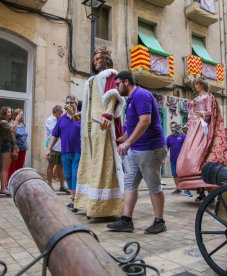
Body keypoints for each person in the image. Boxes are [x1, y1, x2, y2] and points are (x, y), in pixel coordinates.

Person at [106, 71, 167, 234]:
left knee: (154, 186)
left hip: (150, 148)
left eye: (117, 84)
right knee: (130, 183)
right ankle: (126, 220)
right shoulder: (131, 100)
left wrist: (127, 142)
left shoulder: (141, 95)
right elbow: (132, 128)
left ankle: (160, 221)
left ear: (126, 82)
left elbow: (145, 121)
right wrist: (120, 138)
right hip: (136, 150)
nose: (116, 88)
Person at [176, 78, 227, 201]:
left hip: (205, 128)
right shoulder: (194, 100)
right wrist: (187, 125)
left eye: (196, 84)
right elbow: (191, 115)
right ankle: (200, 191)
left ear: (201, 84)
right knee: (193, 157)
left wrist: (202, 114)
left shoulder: (209, 97)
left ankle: (212, 189)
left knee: (204, 156)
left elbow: (212, 112)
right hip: (194, 131)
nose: (195, 86)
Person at [75, 48, 125, 218]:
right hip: (89, 129)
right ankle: (88, 203)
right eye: (94, 58)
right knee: (90, 163)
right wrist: (81, 114)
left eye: (98, 58)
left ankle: (104, 207)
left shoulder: (110, 75)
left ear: (105, 60)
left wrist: (107, 116)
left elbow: (112, 95)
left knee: (103, 162)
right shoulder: (91, 80)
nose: (95, 61)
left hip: (102, 126)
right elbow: (90, 103)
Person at [46, 95, 81, 211]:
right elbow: (55, 135)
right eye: (68, 102)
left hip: (79, 151)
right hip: (65, 151)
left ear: (76, 104)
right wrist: (49, 149)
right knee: (69, 176)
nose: (70, 104)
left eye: (72, 102)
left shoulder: (81, 117)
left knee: (76, 174)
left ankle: (77, 201)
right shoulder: (61, 119)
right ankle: (73, 199)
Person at [0, 106, 21, 195]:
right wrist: (17, 120)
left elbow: (13, 134)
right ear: (4, 113)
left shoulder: (9, 122)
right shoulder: (2, 122)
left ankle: (5, 186)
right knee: (4, 168)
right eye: (8, 112)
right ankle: (2, 188)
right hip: (6, 144)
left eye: (10, 112)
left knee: (7, 168)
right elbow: (13, 129)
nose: (10, 114)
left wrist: (15, 145)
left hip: (10, 145)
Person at [46, 105, 68, 193]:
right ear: (55, 112)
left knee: (61, 167)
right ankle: (49, 184)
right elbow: (55, 132)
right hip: (53, 147)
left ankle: (62, 185)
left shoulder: (61, 120)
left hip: (61, 147)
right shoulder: (50, 120)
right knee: (50, 166)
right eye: (60, 112)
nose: (62, 114)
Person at [166, 122, 191, 196]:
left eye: (174, 127)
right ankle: (178, 188)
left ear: (177, 127)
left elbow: (187, 147)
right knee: (175, 174)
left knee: (183, 174)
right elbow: (166, 148)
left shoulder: (183, 136)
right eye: (171, 127)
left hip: (182, 159)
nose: (173, 129)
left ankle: (187, 189)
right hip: (173, 159)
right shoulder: (169, 138)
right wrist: (162, 158)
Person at [8, 109, 29, 180]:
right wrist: (16, 120)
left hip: (23, 149)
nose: (22, 116)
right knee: (12, 166)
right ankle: (9, 183)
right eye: (21, 114)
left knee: (20, 167)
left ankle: (18, 183)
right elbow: (12, 131)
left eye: (23, 114)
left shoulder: (23, 124)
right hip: (15, 149)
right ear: (16, 115)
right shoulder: (11, 123)